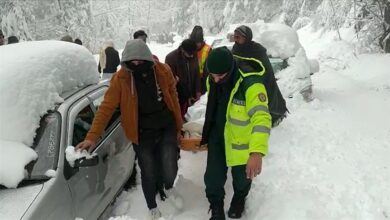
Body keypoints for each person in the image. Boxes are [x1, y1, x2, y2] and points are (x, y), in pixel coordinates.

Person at [76, 39, 183, 219]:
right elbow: (106, 108)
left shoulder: (163, 71)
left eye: (140, 62)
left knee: (169, 165)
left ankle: (167, 186)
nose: (136, 65)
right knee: (148, 171)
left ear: (147, 59)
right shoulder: (121, 78)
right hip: (141, 134)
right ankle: (152, 206)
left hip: (166, 127)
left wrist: (179, 125)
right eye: (132, 62)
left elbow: (173, 97)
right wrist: (92, 136)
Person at [201, 47, 271, 220]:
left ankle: (239, 199)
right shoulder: (213, 80)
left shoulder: (251, 84)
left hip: (241, 141)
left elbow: (261, 118)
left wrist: (256, 152)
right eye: (213, 76)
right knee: (213, 178)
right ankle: (216, 207)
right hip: (218, 137)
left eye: (220, 77)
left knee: (242, 179)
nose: (215, 81)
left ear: (230, 69)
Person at [232, 25, 288, 125]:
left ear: (246, 37)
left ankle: (273, 117)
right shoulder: (236, 48)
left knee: (266, 99)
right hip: (242, 81)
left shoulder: (257, 50)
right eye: (234, 37)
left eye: (238, 37)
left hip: (259, 80)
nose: (235, 40)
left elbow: (265, 69)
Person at [165, 39, 201, 119]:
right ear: (182, 50)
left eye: (193, 53)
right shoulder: (171, 58)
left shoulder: (193, 53)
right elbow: (171, 81)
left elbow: (197, 74)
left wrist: (198, 91)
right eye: (190, 54)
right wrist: (186, 96)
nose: (192, 56)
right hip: (179, 96)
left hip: (193, 94)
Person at [189, 25, 212, 94]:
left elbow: (209, 71)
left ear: (201, 41)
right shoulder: (189, 49)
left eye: (197, 43)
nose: (196, 45)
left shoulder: (208, 50)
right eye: (194, 43)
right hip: (192, 82)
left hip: (203, 81)